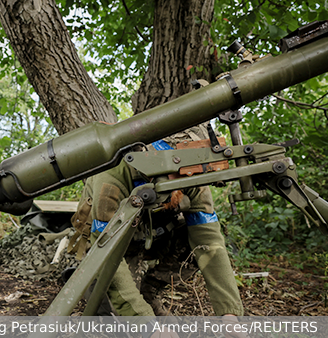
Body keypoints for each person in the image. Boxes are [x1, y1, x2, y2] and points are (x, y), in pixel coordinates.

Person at [69, 123, 244, 321]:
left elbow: (209, 241)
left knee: (198, 243)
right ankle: (94, 281)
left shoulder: (192, 174)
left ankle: (150, 290)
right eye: (178, 173)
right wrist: (147, 323)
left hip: (155, 233)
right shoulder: (113, 176)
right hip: (115, 241)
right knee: (114, 317)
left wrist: (229, 314)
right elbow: (107, 251)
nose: (187, 179)